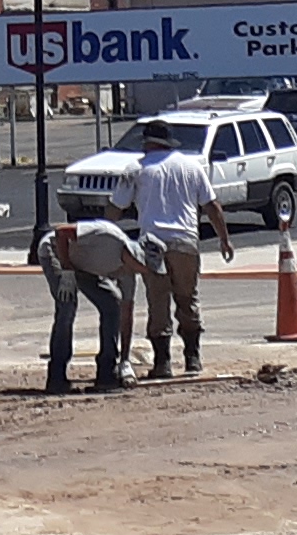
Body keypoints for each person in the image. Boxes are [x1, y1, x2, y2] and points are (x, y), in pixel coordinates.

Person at [126, 119, 235, 378]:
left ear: (148, 143)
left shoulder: (137, 170)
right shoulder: (191, 167)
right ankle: (192, 358)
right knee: (188, 299)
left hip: (152, 244)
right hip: (185, 241)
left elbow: (115, 206)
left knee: (158, 302)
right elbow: (212, 205)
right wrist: (224, 238)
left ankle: (163, 363)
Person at [38, 216, 146, 394]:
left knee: (112, 304)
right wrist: (66, 269)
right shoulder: (108, 235)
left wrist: (125, 361)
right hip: (56, 251)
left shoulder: (128, 274)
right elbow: (61, 232)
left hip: (83, 265)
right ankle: (57, 375)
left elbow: (126, 314)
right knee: (67, 305)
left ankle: (106, 371)